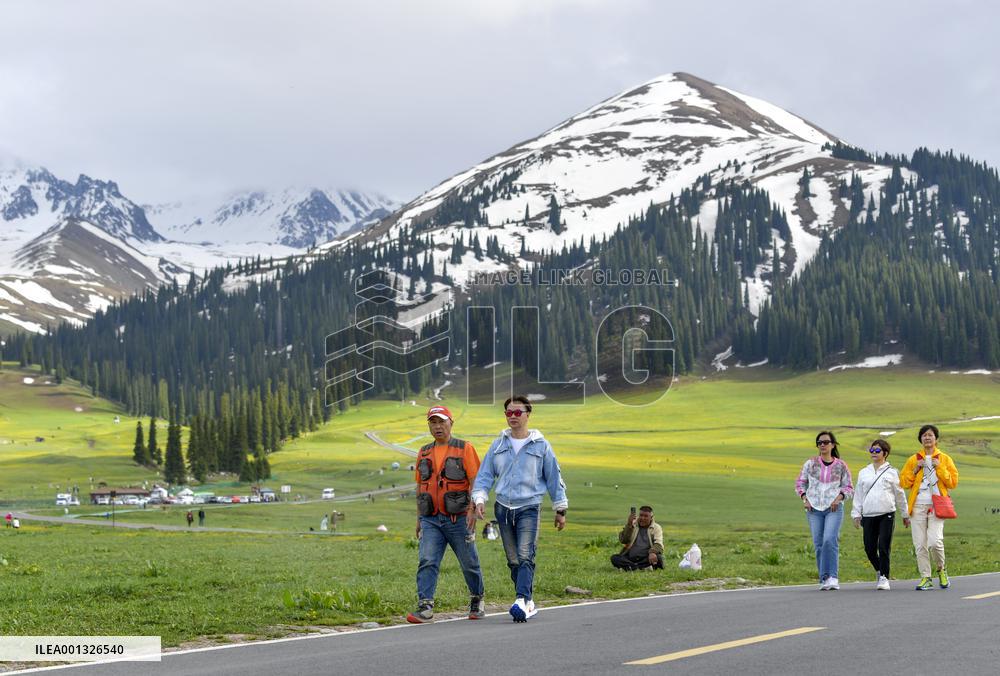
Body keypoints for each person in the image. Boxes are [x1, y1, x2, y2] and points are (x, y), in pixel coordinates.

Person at [472, 395, 568, 623]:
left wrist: (560, 509)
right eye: (509, 413)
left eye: (518, 412)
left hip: (529, 507)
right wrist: (479, 498)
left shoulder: (541, 445)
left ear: (528, 414)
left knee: (526, 555)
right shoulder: (498, 445)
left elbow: (554, 477)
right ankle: (529, 603)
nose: (513, 417)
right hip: (503, 507)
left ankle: (521, 600)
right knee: (513, 559)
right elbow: (485, 475)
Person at [406, 405, 485, 624]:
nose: (438, 426)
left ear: (451, 423)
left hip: (458, 517)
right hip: (430, 518)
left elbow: (475, 481)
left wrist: (472, 509)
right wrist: (419, 518)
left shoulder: (464, 448)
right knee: (427, 560)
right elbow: (420, 485)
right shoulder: (423, 451)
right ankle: (425, 607)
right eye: (433, 422)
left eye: (442, 422)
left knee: (469, 562)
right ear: (429, 425)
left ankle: (477, 599)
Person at [899, 424, 959, 591]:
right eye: (924, 435)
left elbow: (952, 482)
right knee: (920, 544)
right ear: (921, 439)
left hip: (937, 505)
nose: (927, 438)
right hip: (917, 506)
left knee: (935, 542)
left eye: (930, 435)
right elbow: (904, 482)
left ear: (936, 439)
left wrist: (938, 466)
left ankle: (941, 569)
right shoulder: (913, 459)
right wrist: (916, 468)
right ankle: (925, 577)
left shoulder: (945, 459)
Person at [796, 431, 853, 590]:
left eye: (826, 442)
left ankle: (833, 577)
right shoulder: (810, 464)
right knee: (819, 543)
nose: (822, 445)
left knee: (830, 539)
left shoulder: (841, 465)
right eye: (819, 442)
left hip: (833, 508)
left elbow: (848, 487)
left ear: (833, 445)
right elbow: (800, 483)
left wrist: (839, 498)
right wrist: (804, 499)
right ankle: (824, 578)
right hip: (813, 508)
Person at [851, 439, 909, 590]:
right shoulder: (864, 472)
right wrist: (856, 514)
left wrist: (905, 514)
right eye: (872, 450)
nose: (874, 453)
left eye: (877, 451)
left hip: (886, 514)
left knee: (883, 546)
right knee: (869, 548)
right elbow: (858, 494)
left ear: (885, 453)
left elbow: (900, 494)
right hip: (868, 514)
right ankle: (878, 570)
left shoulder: (892, 472)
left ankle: (884, 577)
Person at [611, 506, 664, 571]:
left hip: (646, 558)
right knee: (615, 558)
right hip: (630, 558)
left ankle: (630, 567)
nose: (642, 518)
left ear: (651, 517)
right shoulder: (632, 524)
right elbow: (623, 540)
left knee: (658, 558)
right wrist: (629, 525)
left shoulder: (656, 527)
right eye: (641, 515)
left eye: (646, 516)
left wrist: (652, 552)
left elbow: (658, 544)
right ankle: (639, 568)